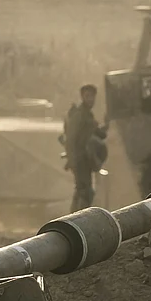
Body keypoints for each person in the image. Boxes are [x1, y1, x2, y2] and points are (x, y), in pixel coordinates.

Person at [63, 83, 108, 212]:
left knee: (81, 190)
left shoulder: (88, 115)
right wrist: (72, 159)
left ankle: (72, 219)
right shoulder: (79, 115)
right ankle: (78, 220)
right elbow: (71, 139)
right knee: (85, 192)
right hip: (79, 159)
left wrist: (107, 125)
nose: (90, 99)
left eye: (92, 96)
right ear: (82, 97)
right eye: (87, 96)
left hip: (86, 159)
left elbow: (98, 134)